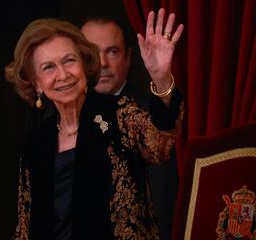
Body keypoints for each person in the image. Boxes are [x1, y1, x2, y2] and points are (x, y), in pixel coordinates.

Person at [5, 9, 184, 240]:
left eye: (69, 60)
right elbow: (24, 226)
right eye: (49, 67)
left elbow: (161, 142)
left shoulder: (118, 113)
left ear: (84, 64)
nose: (63, 75)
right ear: (36, 83)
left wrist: (161, 78)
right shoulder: (35, 142)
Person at [80, 9, 180, 240]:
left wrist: (162, 78)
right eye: (91, 54)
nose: (102, 63)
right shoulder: (58, 116)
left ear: (128, 57)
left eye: (112, 52)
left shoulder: (150, 112)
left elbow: (162, 202)